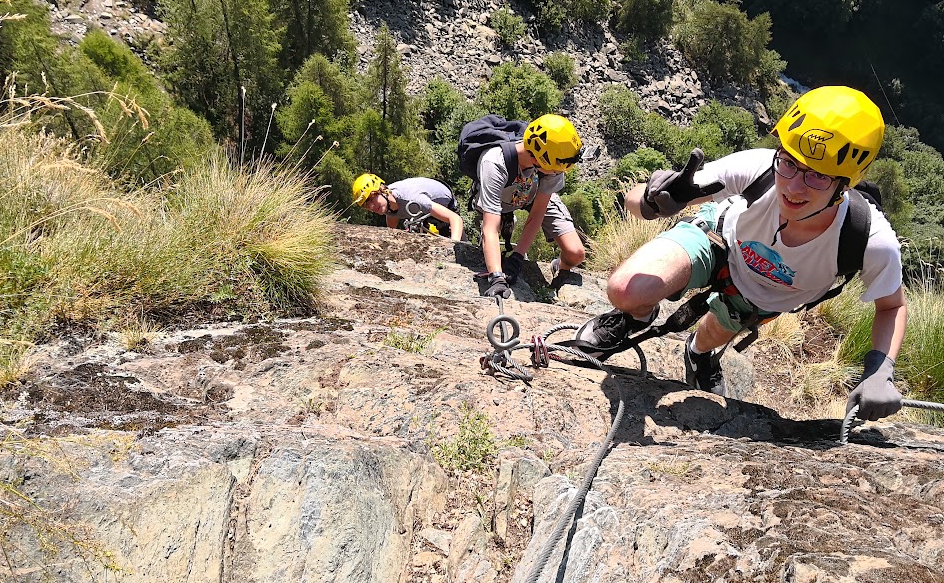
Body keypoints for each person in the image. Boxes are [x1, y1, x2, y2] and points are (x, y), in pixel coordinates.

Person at [572, 86, 907, 422]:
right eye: (789, 163)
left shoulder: (868, 239)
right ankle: (633, 316)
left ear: (845, 185)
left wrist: (881, 370)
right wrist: (651, 201)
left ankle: (698, 354)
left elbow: (892, 306)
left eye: (818, 176)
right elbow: (634, 200)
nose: (793, 187)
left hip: (762, 297)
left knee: (710, 336)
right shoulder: (759, 168)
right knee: (625, 290)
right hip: (718, 240)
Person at [473, 114, 587, 298]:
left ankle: (558, 266)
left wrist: (518, 257)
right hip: (503, 196)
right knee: (492, 241)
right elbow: (490, 226)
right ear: (539, 159)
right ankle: (502, 230)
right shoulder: (495, 162)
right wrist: (497, 277)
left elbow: (538, 214)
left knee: (576, 253)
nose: (559, 173)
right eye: (557, 169)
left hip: (533, 194)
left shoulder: (553, 163)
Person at [352, 173, 465, 241]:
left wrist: (454, 245)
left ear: (382, 190)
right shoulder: (386, 204)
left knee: (458, 248)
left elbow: (455, 219)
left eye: (372, 199)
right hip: (422, 212)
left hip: (444, 204)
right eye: (367, 205)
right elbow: (392, 217)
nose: (371, 207)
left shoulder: (413, 199)